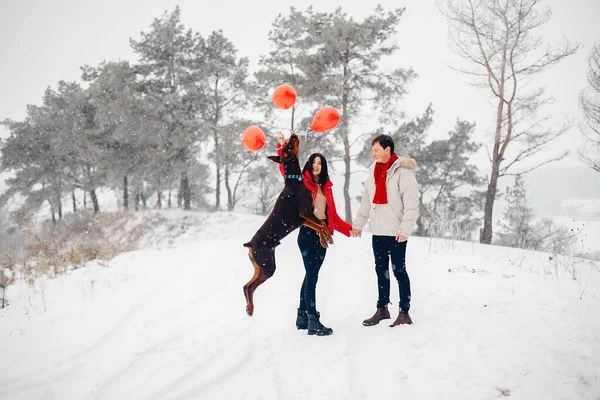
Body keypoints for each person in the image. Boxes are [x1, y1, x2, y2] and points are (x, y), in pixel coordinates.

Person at [276, 132, 352, 336]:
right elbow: (284, 167)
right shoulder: (302, 182)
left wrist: (349, 230)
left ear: (323, 166)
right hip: (308, 234)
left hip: (323, 237)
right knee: (312, 276)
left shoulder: (326, 188)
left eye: (320, 162)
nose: (317, 165)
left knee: (312, 276)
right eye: (314, 162)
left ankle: (302, 316)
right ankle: (313, 320)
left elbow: (333, 216)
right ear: (309, 164)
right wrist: (281, 146)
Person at [350, 134, 419, 327]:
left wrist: (405, 229)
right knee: (381, 271)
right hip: (378, 230)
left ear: (387, 150)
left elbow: (412, 204)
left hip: (397, 231)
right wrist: (358, 225)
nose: (373, 154)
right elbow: (366, 201)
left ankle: (404, 312)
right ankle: (382, 309)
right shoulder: (373, 171)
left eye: (376, 150)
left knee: (399, 271)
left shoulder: (403, 173)